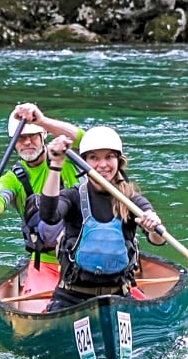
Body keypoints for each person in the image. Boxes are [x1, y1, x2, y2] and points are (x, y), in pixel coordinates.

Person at [39, 125, 166, 311]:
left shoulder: (131, 200)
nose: (103, 164)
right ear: (84, 162)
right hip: (71, 297)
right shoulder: (73, 196)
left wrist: (153, 226)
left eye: (109, 157)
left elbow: (159, 240)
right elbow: (49, 216)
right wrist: (56, 164)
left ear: (119, 161)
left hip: (118, 296)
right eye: (94, 158)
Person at [0, 102, 83, 293]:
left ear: (44, 136)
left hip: (86, 255)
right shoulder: (12, 179)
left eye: (32, 136)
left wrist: (42, 121)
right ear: (13, 143)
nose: (27, 142)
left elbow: (83, 138)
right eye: (21, 138)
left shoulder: (67, 155)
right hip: (47, 263)